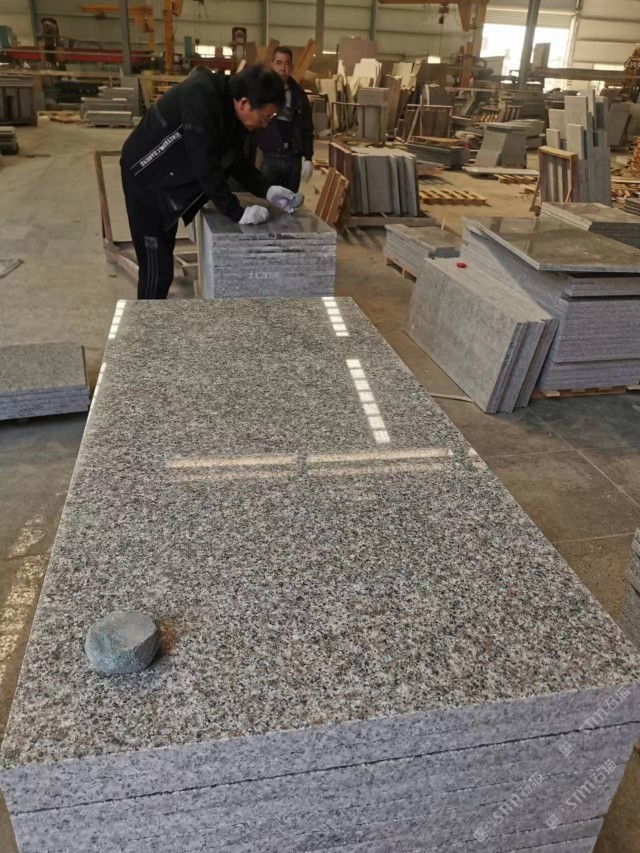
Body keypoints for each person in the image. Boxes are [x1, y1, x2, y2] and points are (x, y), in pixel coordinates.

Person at [120, 65, 303, 300]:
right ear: (245, 103)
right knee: (157, 269)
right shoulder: (201, 97)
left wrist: (267, 189)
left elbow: (234, 161)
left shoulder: (234, 113)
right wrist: (236, 212)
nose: (266, 124)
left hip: (171, 175)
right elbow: (204, 162)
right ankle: (147, 322)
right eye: (266, 117)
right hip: (146, 178)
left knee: (163, 257)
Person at [252, 47, 314, 192]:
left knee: (290, 200)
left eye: (287, 63)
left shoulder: (299, 95)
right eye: (279, 63)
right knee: (266, 197)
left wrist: (308, 157)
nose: (283, 68)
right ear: (272, 64)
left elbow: (307, 128)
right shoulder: (261, 92)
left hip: (293, 158)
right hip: (270, 156)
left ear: (291, 66)